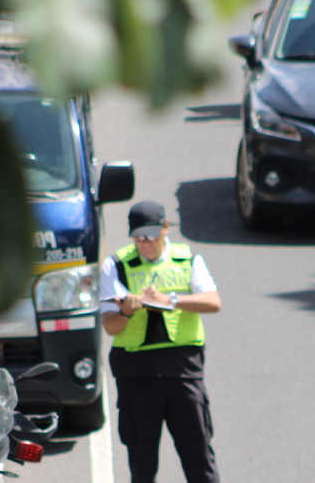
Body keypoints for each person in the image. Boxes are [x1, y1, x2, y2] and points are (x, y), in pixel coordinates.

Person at [100, 201, 223, 483]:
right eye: (139, 237)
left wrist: (170, 300)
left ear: (166, 228)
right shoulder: (116, 266)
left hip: (182, 371)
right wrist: (126, 312)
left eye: (151, 236)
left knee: (199, 459)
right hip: (137, 375)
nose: (145, 243)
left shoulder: (189, 259)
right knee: (142, 465)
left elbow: (213, 302)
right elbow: (110, 326)